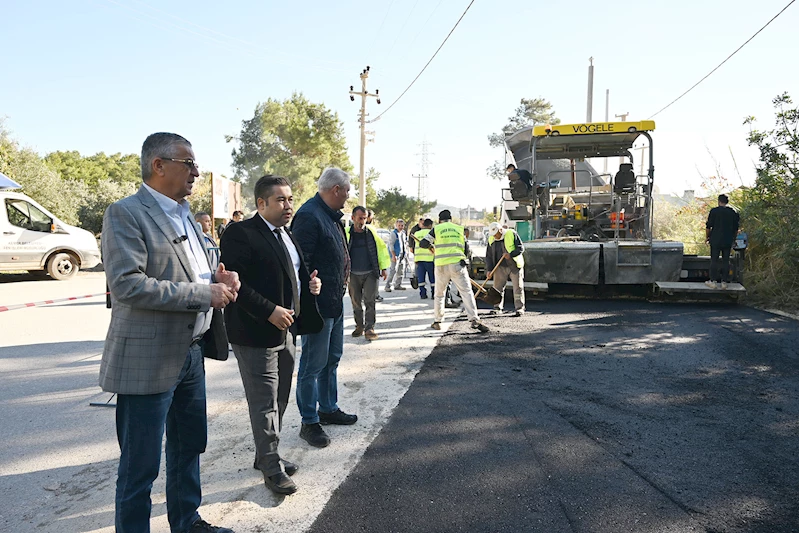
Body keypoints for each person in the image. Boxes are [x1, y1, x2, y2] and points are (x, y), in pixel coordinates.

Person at [100, 132, 240, 533]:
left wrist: (221, 278)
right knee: (140, 466)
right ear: (158, 166)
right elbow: (128, 284)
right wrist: (204, 292)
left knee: (188, 445)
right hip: (148, 358)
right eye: (188, 163)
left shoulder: (186, 216)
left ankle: (187, 521)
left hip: (190, 352)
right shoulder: (126, 213)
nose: (196, 172)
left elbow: (192, 270)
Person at [219, 175, 323, 495]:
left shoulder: (286, 233)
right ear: (261, 203)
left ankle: (266, 454)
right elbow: (237, 285)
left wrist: (310, 287)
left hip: (286, 330)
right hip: (254, 332)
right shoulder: (241, 233)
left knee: (280, 396)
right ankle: (271, 465)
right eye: (281, 200)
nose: (289, 205)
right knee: (264, 401)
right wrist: (269, 311)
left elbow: (292, 274)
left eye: (290, 199)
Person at [291, 167, 358, 448]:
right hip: (318, 306)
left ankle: (328, 408)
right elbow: (299, 262)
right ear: (336, 190)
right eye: (347, 191)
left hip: (334, 301)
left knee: (332, 358)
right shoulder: (309, 216)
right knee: (312, 364)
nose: (348, 196)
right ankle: (309, 421)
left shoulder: (330, 216)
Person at [420, 210, 489, 333]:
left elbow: (423, 243)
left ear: (440, 220)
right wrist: (465, 259)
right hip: (457, 265)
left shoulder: (437, 229)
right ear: (451, 218)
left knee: (439, 294)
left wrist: (431, 247)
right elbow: (467, 247)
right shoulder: (458, 228)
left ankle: (437, 321)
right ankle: (474, 320)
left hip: (441, 266)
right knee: (466, 292)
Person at [345, 206, 390, 341]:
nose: (363, 221)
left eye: (365, 218)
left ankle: (369, 328)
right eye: (360, 218)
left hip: (370, 272)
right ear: (353, 218)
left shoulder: (371, 233)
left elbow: (381, 250)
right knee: (356, 302)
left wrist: (383, 267)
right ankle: (359, 325)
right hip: (352, 274)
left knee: (370, 301)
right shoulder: (346, 233)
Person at [485, 222, 525, 316]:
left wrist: (510, 255)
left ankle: (519, 308)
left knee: (518, 288)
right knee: (497, 288)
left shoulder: (511, 233)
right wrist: (489, 269)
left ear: (500, 230)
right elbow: (489, 256)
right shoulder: (491, 239)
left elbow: (521, 248)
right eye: (493, 235)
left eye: (496, 234)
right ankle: (497, 307)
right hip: (499, 267)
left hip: (514, 265)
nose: (495, 237)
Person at [705, 194, 740, 290]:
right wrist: (733, 239)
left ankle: (713, 281)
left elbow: (708, 226)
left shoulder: (714, 211)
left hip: (715, 239)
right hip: (727, 240)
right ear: (727, 202)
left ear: (719, 201)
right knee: (726, 260)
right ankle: (724, 282)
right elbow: (736, 229)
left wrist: (707, 237)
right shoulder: (733, 213)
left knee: (714, 260)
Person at [413, 218, 435, 299]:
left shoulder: (417, 233)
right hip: (429, 259)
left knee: (421, 278)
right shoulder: (432, 233)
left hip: (419, 258)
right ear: (430, 225)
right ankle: (433, 294)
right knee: (432, 278)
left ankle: (423, 294)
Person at [385, 219, 408, 292]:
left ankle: (398, 285)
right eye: (399, 225)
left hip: (402, 255)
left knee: (401, 271)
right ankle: (388, 286)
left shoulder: (403, 233)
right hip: (396, 255)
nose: (400, 227)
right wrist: (393, 255)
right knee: (393, 270)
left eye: (402, 225)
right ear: (396, 225)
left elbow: (405, 244)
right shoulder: (393, 234)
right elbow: (391, 245)